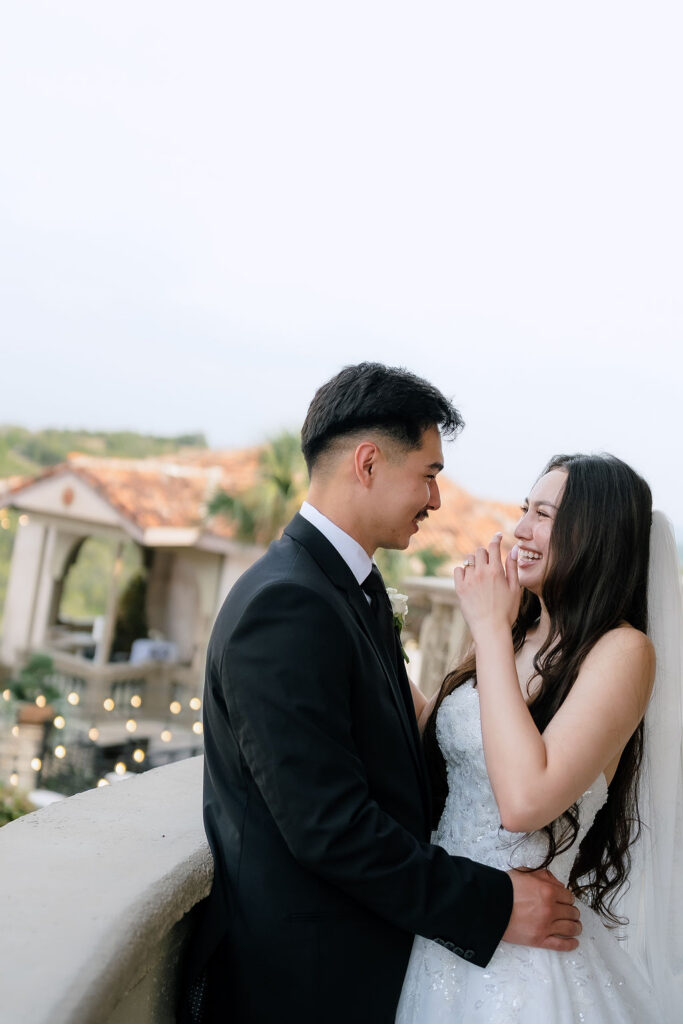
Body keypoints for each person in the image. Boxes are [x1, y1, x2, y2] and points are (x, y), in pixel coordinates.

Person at [183, 364, 581, 1024]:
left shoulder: (345, 590)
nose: (434, 499)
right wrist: (495, 903)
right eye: (427, 473)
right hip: (303, 983)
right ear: (367, 463)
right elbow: (329, 829)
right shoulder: (286, 604)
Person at [396, 453, 682, 1023]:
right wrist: (376, 639)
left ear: (594, 533)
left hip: (527, 964)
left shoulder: (622, 651)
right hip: (450, 929)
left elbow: (525, 802)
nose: (520, 529)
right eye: (526, 509)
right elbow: (439, 741)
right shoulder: (516, 632)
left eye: (544, 514)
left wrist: (487, 629)